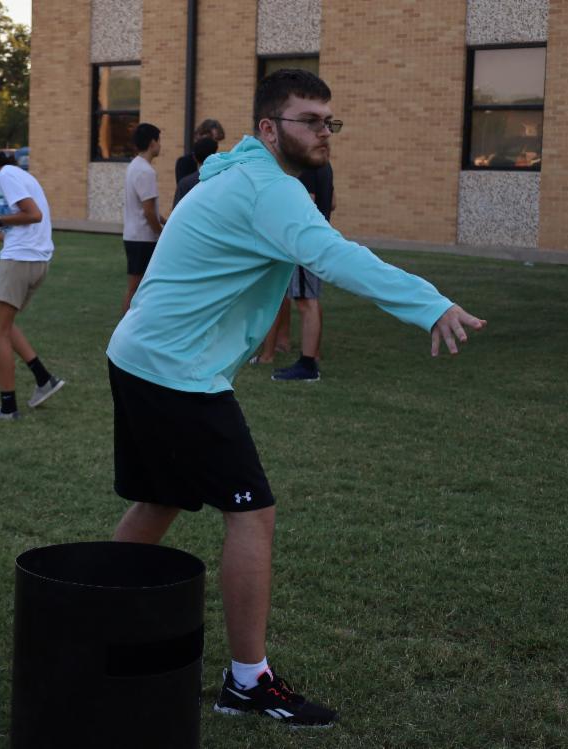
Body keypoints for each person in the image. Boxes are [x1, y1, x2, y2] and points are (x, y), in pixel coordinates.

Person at [106, 69, 485, 728]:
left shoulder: (234, 171)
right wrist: (429, 304)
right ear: (268, 128)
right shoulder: (268, 189)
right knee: (252, 511)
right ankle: (247, 682)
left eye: (328, 121)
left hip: (142, 357)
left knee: (161, 498)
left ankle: (91, 620)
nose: (323, 132)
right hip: (173, 371)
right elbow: (337, 257)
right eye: (308, 120)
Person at [0, 142, 65, 420]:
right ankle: (44, 378)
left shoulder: (7, 175)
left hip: (21, 261)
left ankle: (8, 407)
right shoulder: (13, 177)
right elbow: (17, 232)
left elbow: (33, 214)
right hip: (31, 259)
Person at [250, 163, 335, 373]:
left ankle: (306, 364)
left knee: (306, 301)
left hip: (302, 242)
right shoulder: (325, 166)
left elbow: (306, 202)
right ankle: (311, 354)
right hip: (315, 238)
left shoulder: (307, 167)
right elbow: (332, 202)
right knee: (308, 298)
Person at [121, 123, 164, 312]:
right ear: (152, 142)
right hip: (143, 238)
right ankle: (124, 326)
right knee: (136, 288)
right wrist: (160, 233)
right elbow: (148, 211)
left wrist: (165, 220)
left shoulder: (134, 166)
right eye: (159, 141)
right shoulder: (146, 171)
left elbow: (148, 208)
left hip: (133, 236)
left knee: (139, 287)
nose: (160, 145)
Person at [172, 136, 218, 208]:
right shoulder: (221, 179)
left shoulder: (185, 184)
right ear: (214, 156)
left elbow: (176, 210)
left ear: (194, 157)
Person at [175, 118, 226, 183]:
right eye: (210, 138)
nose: (213, 144)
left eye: (216, 140)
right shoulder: (184, 162)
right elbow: (183, 186)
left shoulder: (218, 162)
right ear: (199, 136)